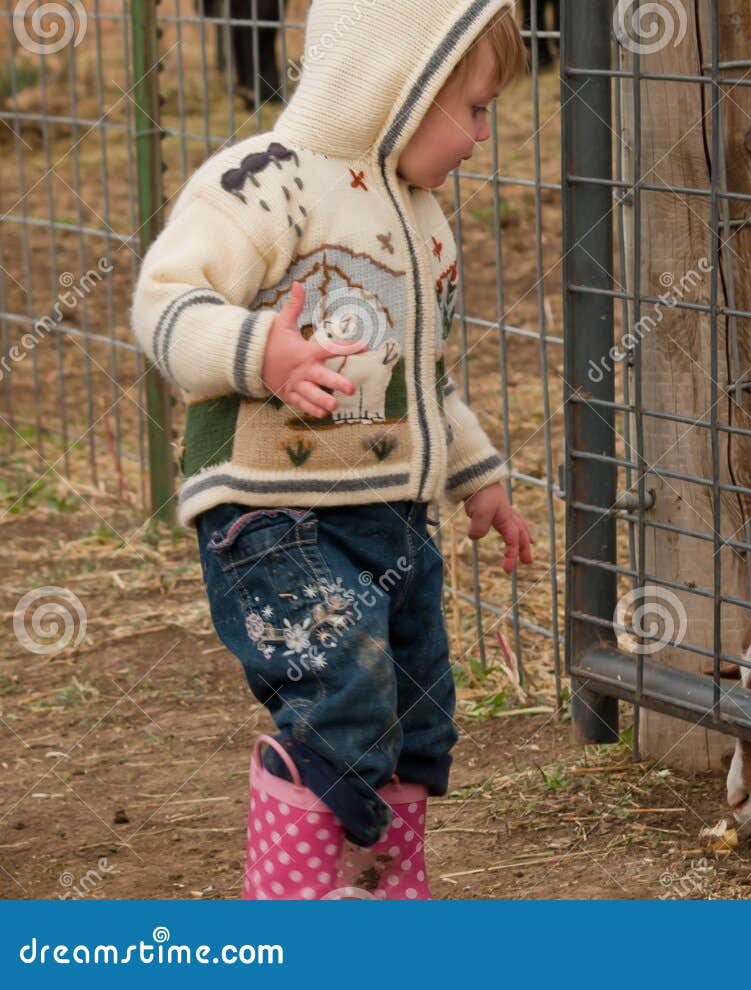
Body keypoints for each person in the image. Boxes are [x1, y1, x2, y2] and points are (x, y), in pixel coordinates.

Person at [131, 0, 534, 899]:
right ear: (399, 82)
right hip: (275, 515)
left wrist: (480, 481)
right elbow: (165, 305)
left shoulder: (424, 219)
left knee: (419, 711)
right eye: (470, 107)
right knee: (340, 701)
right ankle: (297, 906)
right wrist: (260, 353)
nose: (478, 137)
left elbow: (424, 382)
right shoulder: (263, 183)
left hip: (395, 517)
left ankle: (385, 895)